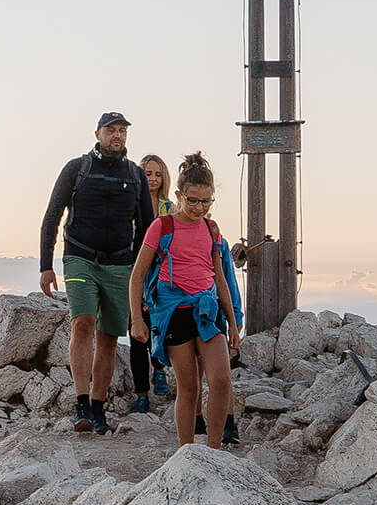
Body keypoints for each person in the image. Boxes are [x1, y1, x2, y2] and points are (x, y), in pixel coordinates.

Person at [39, 111, 154, 433]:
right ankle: (80, 403)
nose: (117, 136)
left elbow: (146, 228)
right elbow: (52, 216)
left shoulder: (135, 175)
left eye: (122, 131)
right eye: (111, 130)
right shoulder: (77, 169)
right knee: (83, 323)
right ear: (98, 133)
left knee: (109, 337)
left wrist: (143, 274)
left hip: (120, 263)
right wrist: (46, 266)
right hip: (79, 256)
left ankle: (98, 407)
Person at [130, 151, 243, 449]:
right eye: (192, 200)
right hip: (174, 313)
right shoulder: (162, 226)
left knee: (220, 380)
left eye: (206, 201)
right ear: (179, 195)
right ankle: (186, 453)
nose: (199, 207)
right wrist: (138, 319)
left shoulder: (212, 229)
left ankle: (214, 451)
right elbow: (138, 274)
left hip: (207, 309)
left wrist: (233, 323)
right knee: (189, 387)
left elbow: (221, 279)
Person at [137, 154, 173, 402]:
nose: (152, 178)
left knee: (158, 323)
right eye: (148, 173)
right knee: (137, 327)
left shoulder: (169, 208)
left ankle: (159, 368)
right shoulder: (130, 205)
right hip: (136, 270)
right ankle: (141, 393)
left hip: (161, 274)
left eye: (157, 174)